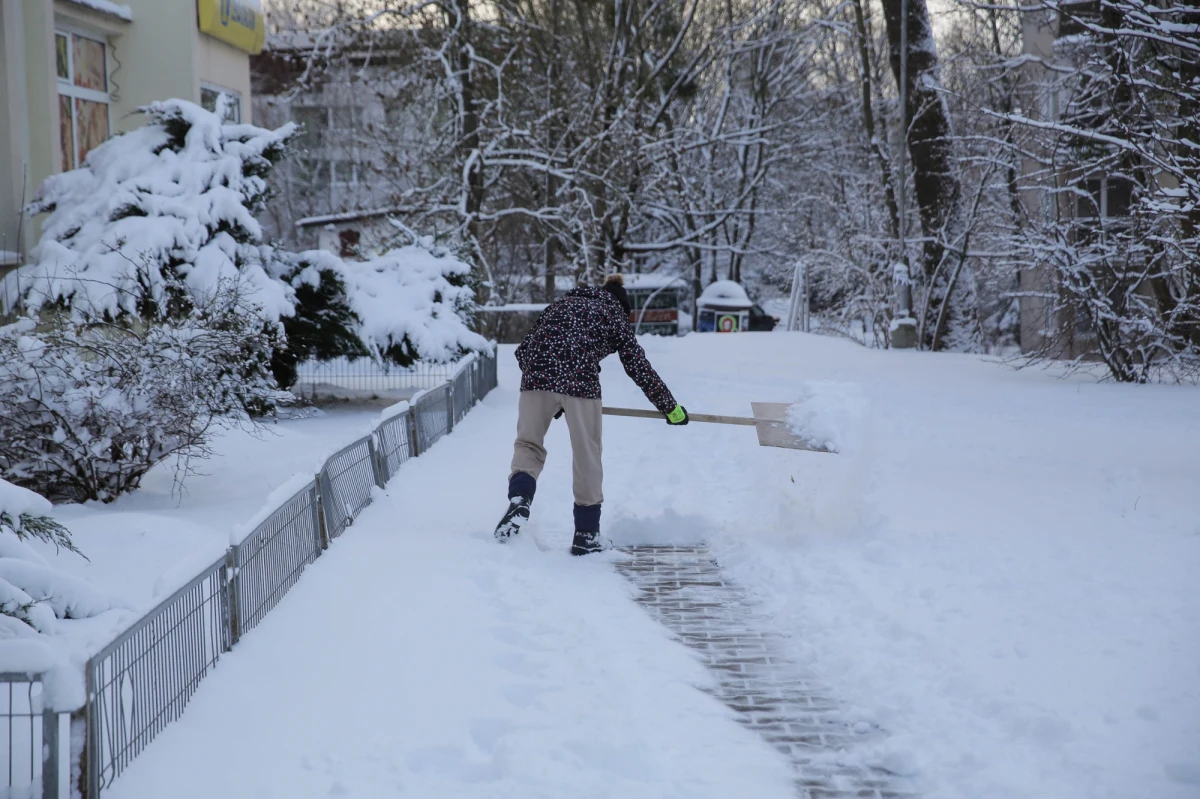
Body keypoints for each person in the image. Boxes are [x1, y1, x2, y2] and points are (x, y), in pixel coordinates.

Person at [495, 274, 689, 555]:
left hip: (535, 377)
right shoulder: (615, 314)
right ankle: (586, 534)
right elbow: (637, 365)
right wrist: (670, 407)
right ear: (624, 307)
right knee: (587, 453)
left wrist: (549, 390)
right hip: (580, 382)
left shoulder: (561, 304)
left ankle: (520, 498)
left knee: (528, 444)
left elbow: (523, 350)